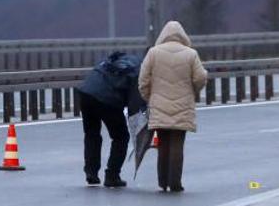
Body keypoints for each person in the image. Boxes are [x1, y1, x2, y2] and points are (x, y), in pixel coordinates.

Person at [138, 20, 208, 193]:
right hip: (183, 105)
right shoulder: (191, 54)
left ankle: (162, 182)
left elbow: (143, 80)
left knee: (162, 144)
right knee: (177, 143)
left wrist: (150, 97)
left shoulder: (153, 53)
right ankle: (175, 182)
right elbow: (200, 78)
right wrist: (193, 91)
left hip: (158, 105)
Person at [78, 51, 144, 188]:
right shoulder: (139, 69)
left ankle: (91, 172)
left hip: (86, 92)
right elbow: (134, 103)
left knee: (92, 134)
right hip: (107, 99)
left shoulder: (121, 57)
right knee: (121, 137)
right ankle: (112, 175)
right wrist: (139, 125)